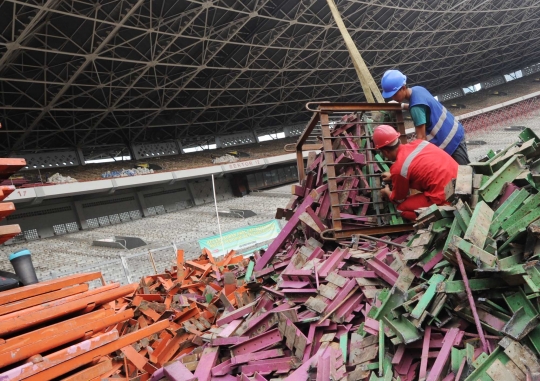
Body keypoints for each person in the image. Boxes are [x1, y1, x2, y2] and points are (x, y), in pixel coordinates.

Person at [380, 69, 470, 165]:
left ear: (403, 87)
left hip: (451, 141)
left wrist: (409, 160)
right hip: (454, 131)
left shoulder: (416, 108)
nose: (393, 97)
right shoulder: (418, 89)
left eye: (394, 94)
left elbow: (421, 139)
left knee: (464, 174)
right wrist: (402, 106)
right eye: (391, 96)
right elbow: (422, 107)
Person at [374, 125, 458, 221]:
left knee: (401, 208)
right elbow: (418, 167)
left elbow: (399, 199)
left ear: (385, 152)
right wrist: (393, 176)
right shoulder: (420, 143)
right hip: (460, 181)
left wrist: (387, 193)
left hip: (446, 196)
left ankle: (441, 217)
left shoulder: (399, 169)